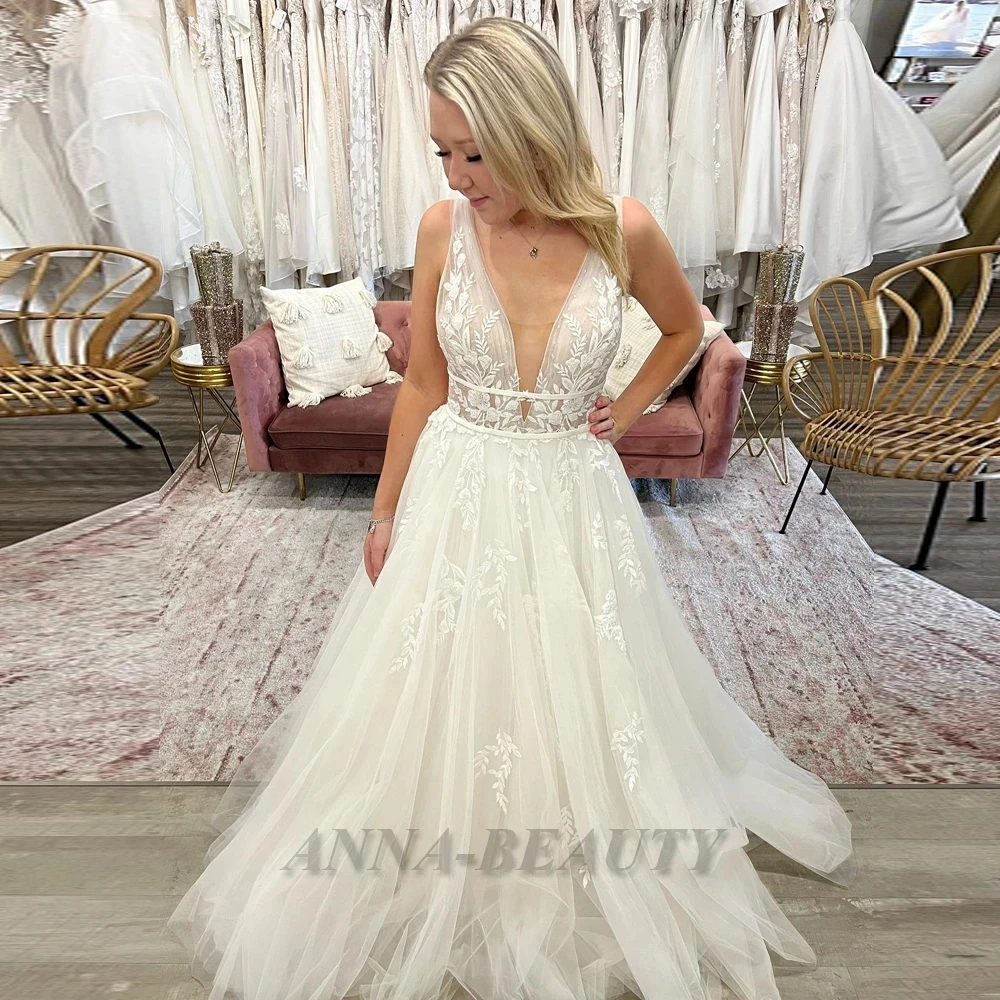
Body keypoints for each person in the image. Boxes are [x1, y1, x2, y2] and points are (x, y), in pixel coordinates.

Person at [165, 17, 853, 1000]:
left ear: (534, 129)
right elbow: (422, 384)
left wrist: (631, 404)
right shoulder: (443, 229)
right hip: (461, 479)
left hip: (572, 486)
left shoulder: (623, 228)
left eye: (475, 152)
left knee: (580, 670)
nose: (457, 175)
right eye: (442, 151)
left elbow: (683, 331)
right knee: (446, 672)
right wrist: (383, 513)